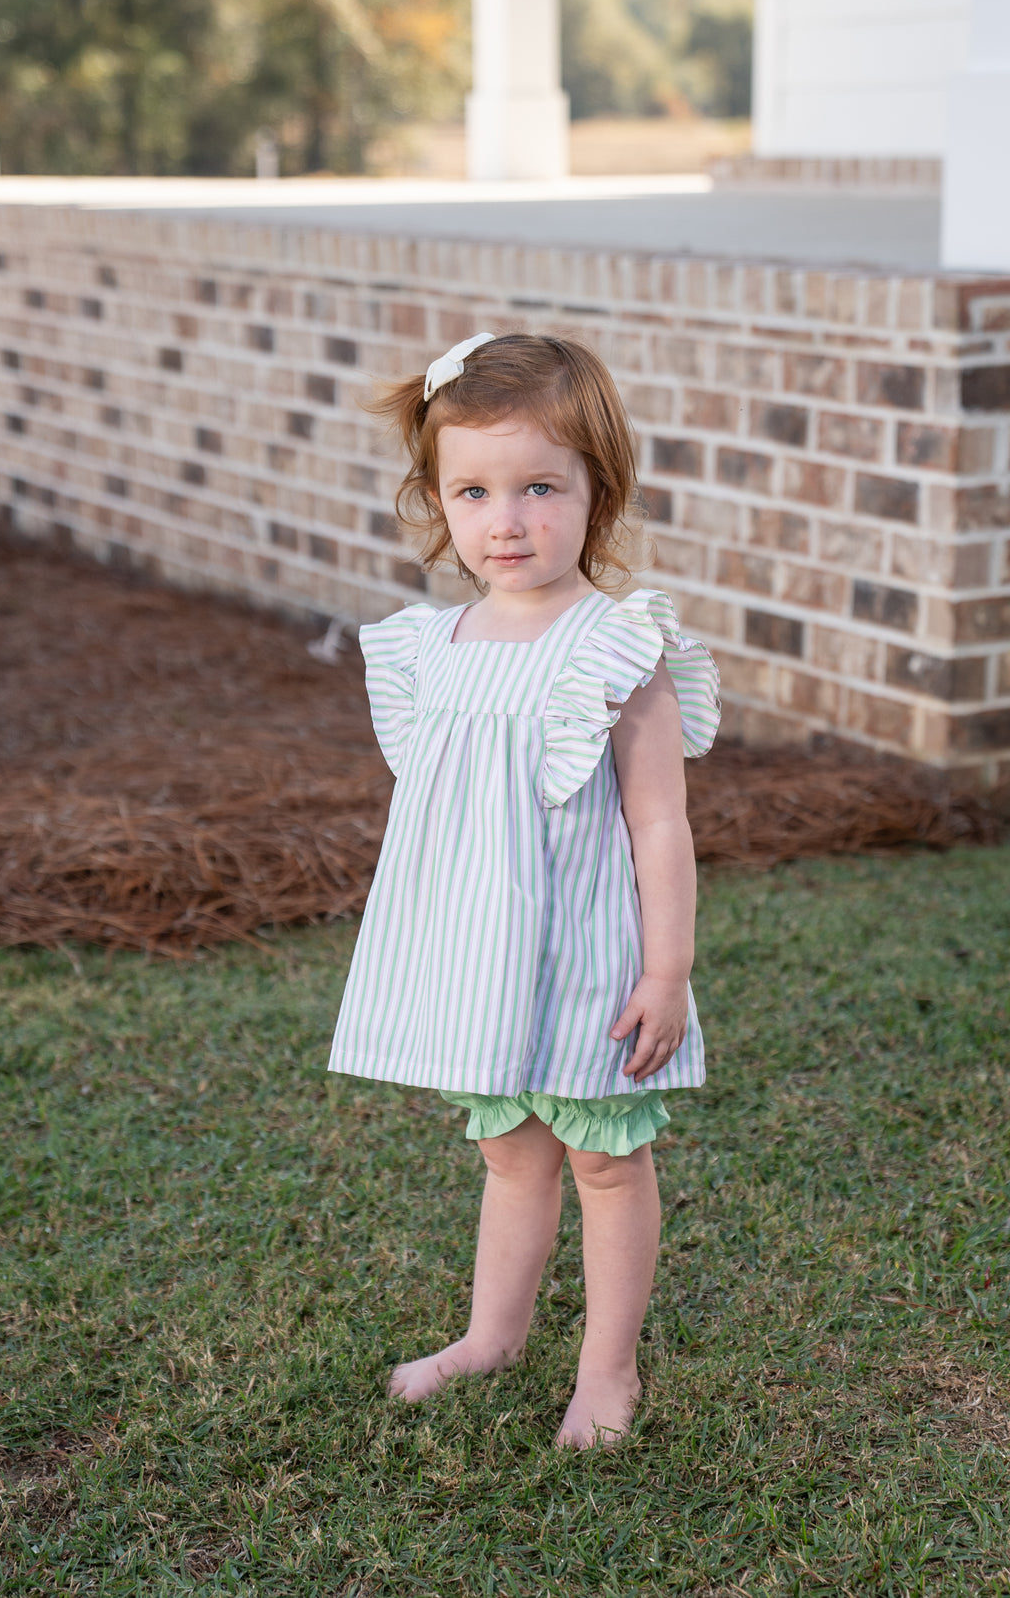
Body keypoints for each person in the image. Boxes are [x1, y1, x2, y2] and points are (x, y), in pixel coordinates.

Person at [328, 332, 719, 1449]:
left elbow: (659, 819)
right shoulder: (430, 649)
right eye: (475, 490)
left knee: (603, 1155)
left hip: (591, 956)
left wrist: (668, 969)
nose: (507, 520)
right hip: (487, 961)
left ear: (599, 492)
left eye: (540, 487)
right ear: (436, 500)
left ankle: (608, 1370)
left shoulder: (613, 646)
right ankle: (492, 1332)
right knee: (510, 1151)